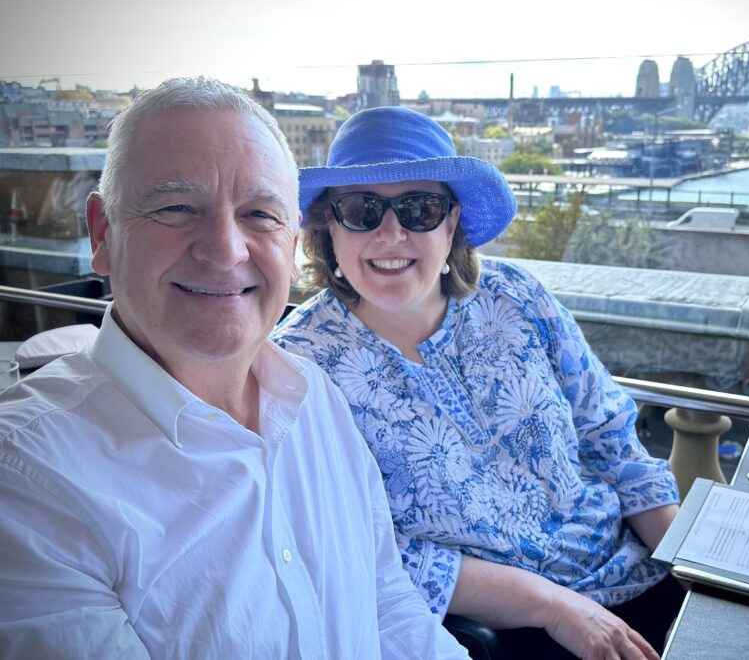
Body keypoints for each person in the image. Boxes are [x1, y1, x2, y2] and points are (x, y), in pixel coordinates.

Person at [0, 78, 468, 659]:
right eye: (175, 207)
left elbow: (386, 602)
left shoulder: (317, 398)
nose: (225, 249)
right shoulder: (26, 482)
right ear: (103, 234)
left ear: (293, 243)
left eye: (259, 214)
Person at [273, 106, 683, 659]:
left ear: (451, 223)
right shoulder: (298, 367)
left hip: (638, 570)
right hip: (508, 631)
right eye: (360, 209)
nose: (390, 234)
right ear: (328, 225)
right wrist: (554, 606)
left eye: (419, 208)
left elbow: (610, 435)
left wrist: (695, 569)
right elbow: (359, 549)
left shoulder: (517, 295)